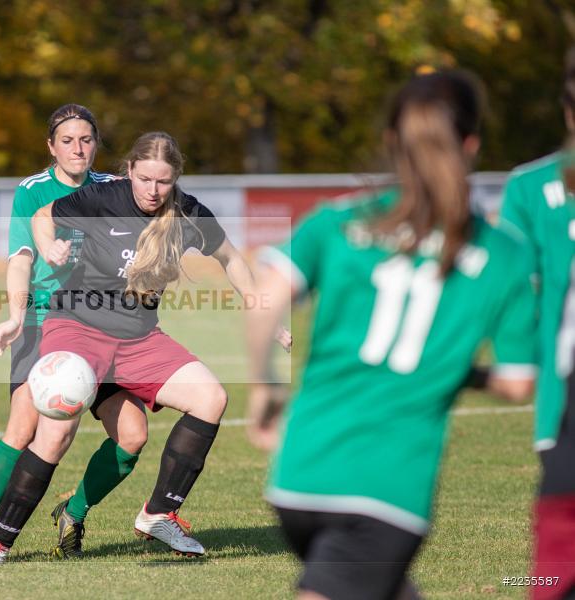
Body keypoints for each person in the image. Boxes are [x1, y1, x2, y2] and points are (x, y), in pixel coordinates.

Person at [246, 71, 537, 600]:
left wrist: (266, 389)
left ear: (389, 141)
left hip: (298, 474)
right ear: (471, 145)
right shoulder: (506, 254)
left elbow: (263, 295)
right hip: (385, 489)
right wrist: (456, 369)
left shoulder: (337, 221)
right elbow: (519, 383)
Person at [0, 130, 279, 569]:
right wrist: (48, 243)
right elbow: (42, 215)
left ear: (176, 179)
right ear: (129, 170)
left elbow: (231, 257)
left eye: (163, 181)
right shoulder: (103, 197)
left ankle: (158, 513)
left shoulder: (187, 213)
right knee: (54, 431)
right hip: (76, 326)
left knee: (211, 398)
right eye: (145, 178)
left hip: (138, 338)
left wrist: (259, 307)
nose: (153, 190)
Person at [0, 105, 150, 564]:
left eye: (86, 140)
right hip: (44, 319)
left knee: (133, 435)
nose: (78, 148)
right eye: (68, 140)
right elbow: (19, 258)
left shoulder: (113, 190)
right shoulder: (32, 193)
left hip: (104, 322)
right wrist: (16, 318)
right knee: (24, 426)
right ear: (51, 147)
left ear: (97, 145)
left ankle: (72, 512)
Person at [499, 48, 575, 600]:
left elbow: (513, 292)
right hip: (562, 394)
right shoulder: (530, 188)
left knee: (554, 565)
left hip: (562, 394)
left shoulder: (530, 186)